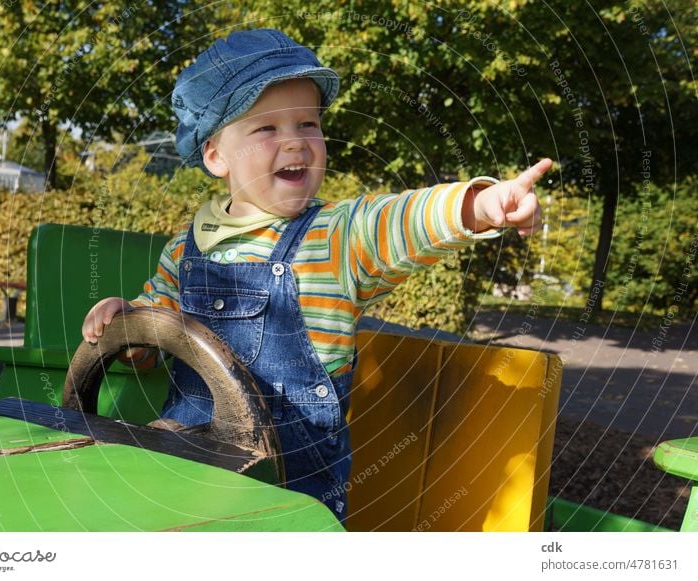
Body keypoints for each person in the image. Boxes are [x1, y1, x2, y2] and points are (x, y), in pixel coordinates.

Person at [81, 28, 551, 524]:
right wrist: (129, 324)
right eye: (266, 129)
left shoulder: (335, 238)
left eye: (308, 124)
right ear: (215, 154)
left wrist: (478, 205)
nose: (295, 143)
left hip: (292, 497)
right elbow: (153, 334)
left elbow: (396, 220)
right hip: (188, 477)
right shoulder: (186, 248)